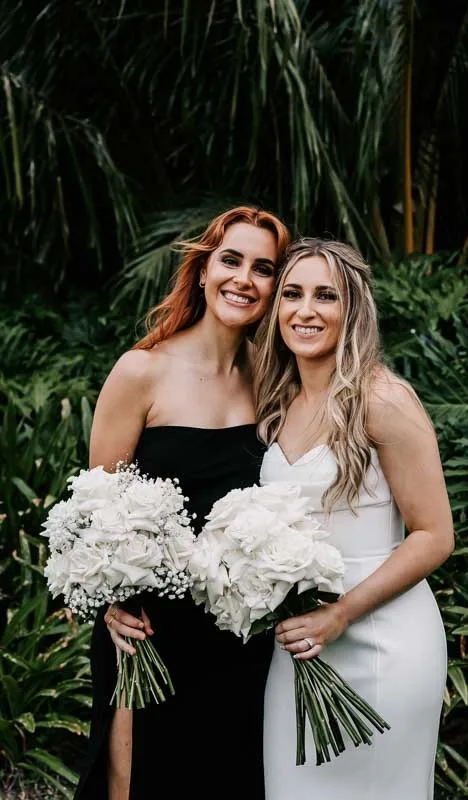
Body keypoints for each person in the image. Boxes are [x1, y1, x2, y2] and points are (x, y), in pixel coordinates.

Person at [73, 206, 291, 800]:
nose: (244, 278)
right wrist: (110, 600)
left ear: (275, 287)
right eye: (231, 260)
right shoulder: (141, 371)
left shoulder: (274, 381)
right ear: (202, 271)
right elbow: (97, 509)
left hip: (239, 635)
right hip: (148, 631)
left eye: (263, 268)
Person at [254, 238, 454, 800]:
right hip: (301, 645)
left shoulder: (382, 398)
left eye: (326, 296)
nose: (305, 310)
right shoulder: (278, 400)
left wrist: (341, 613)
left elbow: (435, 535)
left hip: (382, 639)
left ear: (353, 308)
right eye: (292, 294)